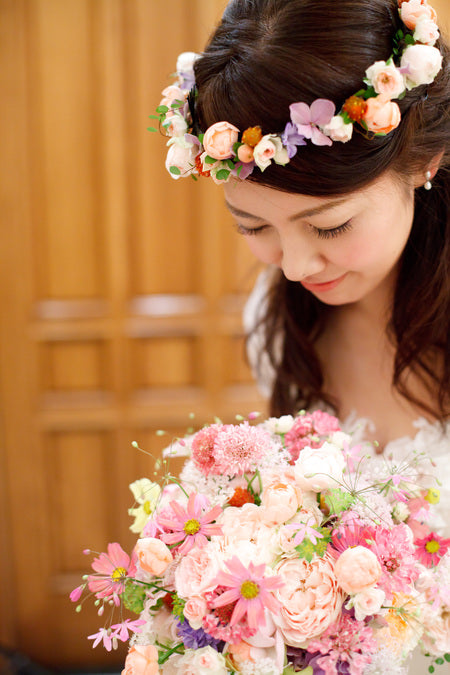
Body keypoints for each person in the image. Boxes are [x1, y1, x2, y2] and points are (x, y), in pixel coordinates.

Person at [154, 0, 449, 671]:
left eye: (329, 226)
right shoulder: (277, 315)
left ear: (423, 160)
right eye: (252, 227)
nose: (293, 266)